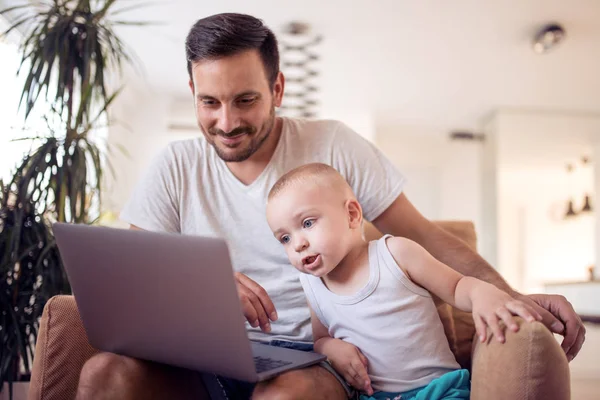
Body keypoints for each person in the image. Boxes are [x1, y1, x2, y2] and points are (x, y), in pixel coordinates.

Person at [75, 12, 585, 400]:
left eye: (245, 100)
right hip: (198, 356)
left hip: (308, 359)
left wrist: (514, 296)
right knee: (103, 374)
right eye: (210, 102)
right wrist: (199, 285)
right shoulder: (175, 166)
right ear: (193, 92)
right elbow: (132, 278)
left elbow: (425, 238)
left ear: (277, 88)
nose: (226, 122)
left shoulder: (334, 146)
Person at [265, 163, 544, 400]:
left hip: (438, 390)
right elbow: (321, 336)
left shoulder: (395, 253)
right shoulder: (312, 284)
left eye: (308, 223)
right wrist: (330, 348)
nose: (298, 244)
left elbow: (457, 287)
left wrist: (483, 293)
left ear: (352, 214)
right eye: (285, 238)